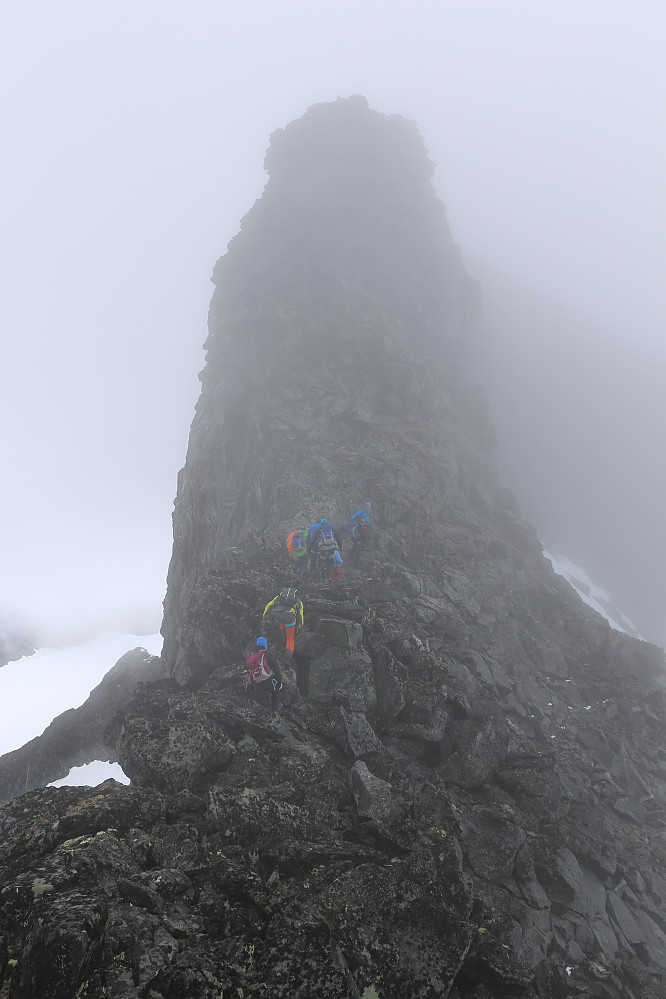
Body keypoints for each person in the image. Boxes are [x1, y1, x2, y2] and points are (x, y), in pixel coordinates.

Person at [262, 587, 304, 655]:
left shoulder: (279, 597)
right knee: (290, 639)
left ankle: (283, 642)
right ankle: (288, 657)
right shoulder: (297, 600)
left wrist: (264, 618)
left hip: (277, 615)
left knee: (282, 629)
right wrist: (300, 628)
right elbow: (300, 614)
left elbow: (268, 605)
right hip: (289, 617)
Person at [246, 637, 282, 710]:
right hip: (268, 680)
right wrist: (279, 682)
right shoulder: (267, 654)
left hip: (258, 682)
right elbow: (276, 668)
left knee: (262, 706)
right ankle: (275, 712)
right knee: (276, 692)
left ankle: (265, 715)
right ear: (264, 645)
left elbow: (250, 669)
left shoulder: (253, 655)